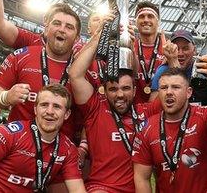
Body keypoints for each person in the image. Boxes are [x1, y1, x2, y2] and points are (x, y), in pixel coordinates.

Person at [69, 24, 162, 192]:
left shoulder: (145, 112)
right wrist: (101, 37)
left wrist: (172, 60)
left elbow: (175, 91)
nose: (119, 94)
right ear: (104, 90)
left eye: (126, 88)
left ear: (134, 91)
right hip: (102, 188)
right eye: (113, 89)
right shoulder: (95, 108)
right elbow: (75, 75)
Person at [132, 66, 207, 193]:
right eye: (164, 88)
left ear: (189, 92)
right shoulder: (147, 128)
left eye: (176, 87)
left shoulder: (205, 115)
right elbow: (142, 178)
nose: (169, 92)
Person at [0, 84, 85, 193]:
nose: (49, 111)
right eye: (44, 105)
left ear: (67, 114)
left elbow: (77, 189)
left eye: (57, 106)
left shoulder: (68, 149)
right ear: (35, 109)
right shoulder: (8, 134)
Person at [0, 1, 83, 141]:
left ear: (77, 38)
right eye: (56, 23)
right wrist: (6, 96)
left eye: (69, 27)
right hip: (17, 146)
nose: (62, 29)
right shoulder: (22, 55)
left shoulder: (82, 69)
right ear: (46, 28)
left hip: (61, 154)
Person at [149, 29, 207, 107]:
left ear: (194, 50)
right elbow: (152, 106)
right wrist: (173, 64)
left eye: (185, 48)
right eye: (176, 48)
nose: (180, 53)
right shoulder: (163, 71)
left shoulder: (202, 68)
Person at [132, 1, 165, 104]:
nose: (146, 20)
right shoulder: (129, 46)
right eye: (141, 16)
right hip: (133, 112)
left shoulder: (168, 48)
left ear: (158, 22)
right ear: (135, 22)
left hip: (160, 112)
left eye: (150, 16)